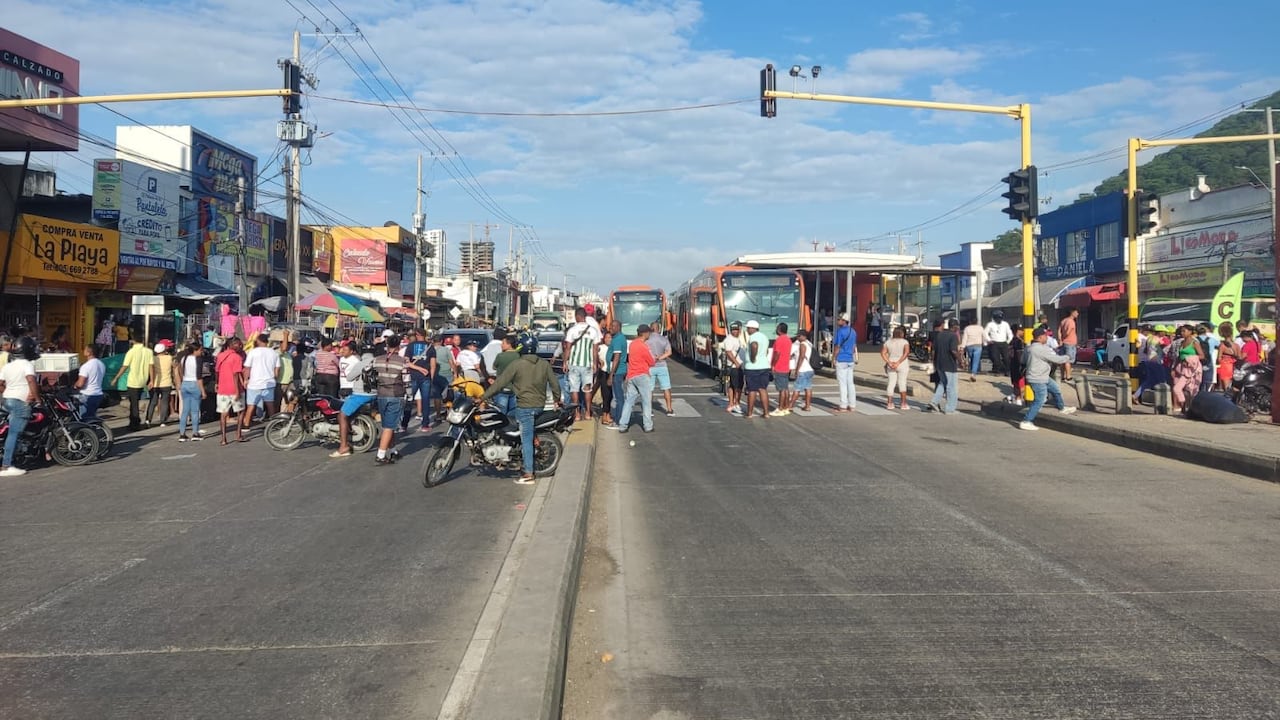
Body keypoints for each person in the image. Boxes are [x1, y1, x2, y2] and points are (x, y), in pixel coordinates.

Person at [480, 333, 561, 484]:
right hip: (539, 406)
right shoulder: (544, 364)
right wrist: (557, 399)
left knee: (526, 439)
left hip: (525, 408)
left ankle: (528, 473)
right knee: (508, 423)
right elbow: (555, 384)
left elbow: (499, 383)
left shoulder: (517, 364)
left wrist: (482, 397)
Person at [368, 334, 428, 466]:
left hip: (381, 394)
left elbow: (366, 371)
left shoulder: (377, 359)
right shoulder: (402, 362)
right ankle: (381, 455)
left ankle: (393, 450)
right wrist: (410, 396)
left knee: (387, 425)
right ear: (399, 345)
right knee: (390, 426)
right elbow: (406, 382)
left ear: (387, 345)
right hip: (396, 394)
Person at [1020, 326, 1077, 430]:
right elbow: (1056, 359)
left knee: (1055, 389)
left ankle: (1062, 408)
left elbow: (1022, 361)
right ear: (1040, 337)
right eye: (1046, 336)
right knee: (1040, 400)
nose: (1047, 338)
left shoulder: (1028, 347)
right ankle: (1026, 421)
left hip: (1042, 376)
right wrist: (1068, 357)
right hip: (1038, 378)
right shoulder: (1040, 349)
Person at [0, 337, 39, 477]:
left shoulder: (8, 366)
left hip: (7, 401)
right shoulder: (27, 364)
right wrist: (37, 397)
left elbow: (0, 384)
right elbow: (31, 380)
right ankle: (6, 466)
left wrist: (7, 392)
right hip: (20, 403)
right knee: (14, 433)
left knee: (10, 431)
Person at [329, 341, 373, 458]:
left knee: (342, 415)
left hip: (359, 393)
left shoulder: (360, 363)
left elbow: (350, 377)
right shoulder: (377, 362)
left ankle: (343, 446)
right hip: (374, 394)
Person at [616, 324, 657, 433]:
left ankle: (623, 425)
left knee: (629, 401)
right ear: (645, 333)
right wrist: (654, 359)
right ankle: (648, 426)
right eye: (649, 332)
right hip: (642, 375)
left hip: (632, 375)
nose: (649, 334)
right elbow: (651, 362)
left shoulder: (633, 344)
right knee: (646, 402)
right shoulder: (644, 346)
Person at [564, 308, 602, 421]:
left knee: (574, 389)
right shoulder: (593, 331)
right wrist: (595, 364)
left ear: (577, 316)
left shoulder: (572, 330)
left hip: (574, 363)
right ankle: (588, 413)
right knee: (587, 389)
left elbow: (567, 348)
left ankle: (577, 414)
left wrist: (565, 362)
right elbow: (595, 350)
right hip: (587, 364)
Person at [111, 332, 154, 431]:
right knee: (135, 401)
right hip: (143, 380)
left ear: (133, 341)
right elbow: (151, 366)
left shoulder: (131, 352)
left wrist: (116, 378)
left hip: (133, 381)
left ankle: (135, 423)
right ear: (142, 341)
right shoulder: (149, 352)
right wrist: (151, 380)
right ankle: (133, 422)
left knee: (134, 403)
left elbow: (124, 366)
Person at [241, 333, 280, 430]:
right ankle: (273, 424)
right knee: (270, 404)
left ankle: (246, 424)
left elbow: (247, 368)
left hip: (254, 383)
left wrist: (246, 380)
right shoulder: (274, 353)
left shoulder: (253, 352)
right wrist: (274, 377)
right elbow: (277, 369)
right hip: (269, 382)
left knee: (251, 405)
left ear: (258, 341)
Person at [215, 337, 247, 444]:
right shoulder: (237, 357)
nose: (240, 346)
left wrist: (217, 383)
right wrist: (238, 390)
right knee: (240, 411)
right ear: (232, 345)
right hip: (234, 388)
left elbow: (217, 371)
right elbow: (236, 374)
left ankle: (223, 438)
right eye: (238, 344)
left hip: (222, 388)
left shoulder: (220, 356)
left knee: (223, 414)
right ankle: (238, 434)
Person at [402, 329, 434, 433]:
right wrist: (431, 377)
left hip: (413, 376)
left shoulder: (410, 346)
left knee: (409, 400)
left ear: (417, 335)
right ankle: (425, 425)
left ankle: (404, 424)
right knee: (425, 401)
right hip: (426, 377)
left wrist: (416, 368)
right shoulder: (430, 347)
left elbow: (406, 362)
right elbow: (433, 365)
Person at [929, 318, 962, 415]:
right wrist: (960, 361)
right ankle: (950, 409)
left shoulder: (940, 335)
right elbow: (953, 350)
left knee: (942, 384)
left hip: (939, 363)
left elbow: (933, 350)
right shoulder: (953, 336)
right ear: (955, 326)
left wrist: (933, 362)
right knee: (951, 387)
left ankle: (934, 402)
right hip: (949, 364)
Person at [174, 342, 206, 442]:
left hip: (185, 384)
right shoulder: (198, 360)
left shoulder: (184, 358)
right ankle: (195, 433)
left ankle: (182, 434)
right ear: (195, 350)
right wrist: (203, 391)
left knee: (185, 411)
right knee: (195, 411)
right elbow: (199, 377)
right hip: (194, 384)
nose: (201, 352)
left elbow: (180, 370)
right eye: (200, 350)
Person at [1171, 324, 1205, 414]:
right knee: (1177, 388)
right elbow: (1179, 356)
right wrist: (1174, 368)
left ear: (1190, 332)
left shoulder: (1194, 342)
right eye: (1181, 331)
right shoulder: (1182, 343)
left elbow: (1202, 355)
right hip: (1182, 368)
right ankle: (1184, 405)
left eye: (1184, 331)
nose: (1182, 333)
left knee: (1190, 389)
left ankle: (1189, 407)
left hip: (1193, 369)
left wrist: (1190, 359)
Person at [741, 319, 772, 419]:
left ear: (752, 328)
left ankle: (749, 413)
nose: (747, 330)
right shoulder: (764, 337)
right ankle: (766, 413)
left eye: (748, 328)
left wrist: (753, 358)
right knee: (763, 389)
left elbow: (754, 345)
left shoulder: (753, 337)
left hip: (753, 367)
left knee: (752, 390)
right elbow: (766, 351)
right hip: (764, 366)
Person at [603, 320, 629, 427]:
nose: (611, 328)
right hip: (618, 372)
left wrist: (611, 375)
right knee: (618, 396)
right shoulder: (618, 338)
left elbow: (616, 358)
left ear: (619, 327)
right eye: (610, 326)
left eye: (613, 326)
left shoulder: (618, 340)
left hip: (617, 373)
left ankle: (619, 420)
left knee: (619, 397)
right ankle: (619, 418)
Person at [489, 332, 521, 415]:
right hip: (514, 389)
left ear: (509, 344)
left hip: (502, 389)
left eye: (503, 343)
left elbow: (494, 367)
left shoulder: (500, 356)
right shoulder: (518, 356)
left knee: (500, 413)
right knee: (512, 413)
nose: (501, 345)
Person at [880, 326, 911, 410]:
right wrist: (898, 362)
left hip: (891, 363)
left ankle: (889, 403)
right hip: (902, 364)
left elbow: (883, 353)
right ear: (901, 334)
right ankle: (903, 403)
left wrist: (889, 362)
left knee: (891, 383)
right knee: (902, 383)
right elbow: (906, 352)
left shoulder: (888, 342)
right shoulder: (905, 342)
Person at [832, 313, 857, 413]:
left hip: (841, 358)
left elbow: (837, 346)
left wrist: (834, 358)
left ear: (843, 321)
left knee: (842, 383)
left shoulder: (840, 331)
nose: (837, 321)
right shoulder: (853, 331)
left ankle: (843, 405)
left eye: (839, 319)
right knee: (850, 383)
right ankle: (852, 404)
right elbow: (854, 345)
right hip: (850, 359)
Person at [146, 341, 175, 427]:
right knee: (165, 402)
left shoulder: (152, 358)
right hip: (166, 382)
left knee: (153, 402)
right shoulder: (169, 358)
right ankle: (163, 421)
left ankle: (148, 420)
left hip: (155, 383)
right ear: (164, 350)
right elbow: (174, 366)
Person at [74, 344, 106, 422]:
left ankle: (87, 433)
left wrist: (75, 385)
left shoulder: (86, 366)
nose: (83, 351)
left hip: (87, 395)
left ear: (89, 353)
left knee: (84, 420)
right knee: (91, 416)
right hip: (98, 394)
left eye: (85, 349)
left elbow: (80, 384)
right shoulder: (101, 364)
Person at [720, 321, 745, 414]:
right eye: (733, 330)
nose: (735, 331)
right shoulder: (729, 339)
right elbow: (728, 352)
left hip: (738, 366)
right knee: (737, 386)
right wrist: (736, 362)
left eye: (737, 329)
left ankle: (731, 404)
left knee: (734, 385)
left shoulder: (738, 338)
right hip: (734, 366)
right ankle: (735, 404)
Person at [768, 323, 793, 416]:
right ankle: (786, 407)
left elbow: (777, 353)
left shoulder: (779, 340)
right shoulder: (788, 339)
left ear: (779, 329)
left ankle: (780, 408)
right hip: (786, 366)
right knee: (785, 389)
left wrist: (773, 365)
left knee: (781, 390)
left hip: (779, 367)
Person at [791, 329, 815, 412]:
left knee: (797, 388)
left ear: (804, 336)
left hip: (803, 369)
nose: (797, 337)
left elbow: (801, 357)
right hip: (809, 369)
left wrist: (797, 369)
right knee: (808, 388)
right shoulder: (809, 343)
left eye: (799, 336)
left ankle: (790, 406)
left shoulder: (802, 344)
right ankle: (807, 406)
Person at [984, 310, 1013, 375]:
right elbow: (985, 332)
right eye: (997, 318)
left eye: (1000, 318)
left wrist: (1008, 341)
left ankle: (1007, 371)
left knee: (1006, 358)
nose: (999, 319)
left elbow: (1009, 333)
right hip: (994, 343)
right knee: (995, 358)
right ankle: (997, 370)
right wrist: (989, 340)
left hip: (1004, 343)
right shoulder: (990, 324)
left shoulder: (1005, 324)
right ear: (994, 318)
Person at [1215, 321, 1240, 391]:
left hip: (1225, 366)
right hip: (1234, 367)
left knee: (1225, 387)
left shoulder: (1222, 345)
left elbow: (1219, 359)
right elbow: (1240, 357)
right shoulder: (1236, 345)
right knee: (1232, 386)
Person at [594, 329, 614, 418]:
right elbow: (593, 352)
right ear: (604, 339)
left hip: (611, 373)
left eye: (610, 337)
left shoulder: (614, 348)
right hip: (603, 373)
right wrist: (598, 360)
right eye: (607, 337)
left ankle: (607, 412)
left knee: (611, 395)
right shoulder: (601, 347)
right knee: (605, 394)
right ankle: (605, 414)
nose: (609, 339)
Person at [1057, 308, 1079, 381]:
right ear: (1072, 313)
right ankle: (1068, 376)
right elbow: (1068, 331)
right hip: (1070, 343)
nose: (1077, 314)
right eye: (1076, 312)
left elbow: (1059, 330)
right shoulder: (1071, 321)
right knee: (1068, 360)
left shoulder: (1063, 321)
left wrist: (1060, 339)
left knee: (1063, 360)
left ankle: (1062, 376)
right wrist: (1066, 336)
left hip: (1063, 343)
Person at [1196, 324, 1218, 394]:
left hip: (1197, 360)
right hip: (1208, 360)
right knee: (1208, 381)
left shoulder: (1195, 340)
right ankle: (1206, 394)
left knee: (1198, 380)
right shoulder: (1212, 339)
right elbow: (1219, 345)